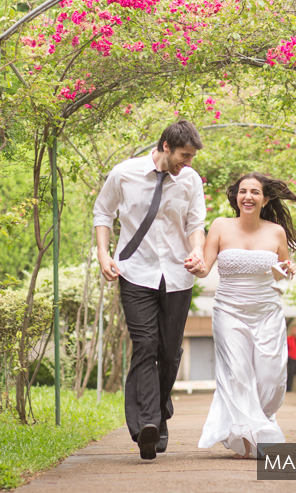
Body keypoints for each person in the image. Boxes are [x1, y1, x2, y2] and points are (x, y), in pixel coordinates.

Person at [93, 120, 207, 460]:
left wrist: (197, 251)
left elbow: (195, 224)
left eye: (192, 158)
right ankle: (145, 425)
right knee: (145, 345)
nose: (188, 163)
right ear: (166, 146)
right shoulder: (124, 173)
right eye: (185, 156)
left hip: (176, 276)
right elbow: (103, 211)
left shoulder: (190, 180)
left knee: (169, 353)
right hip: (135, 273)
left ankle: (157, 415)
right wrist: (103, 253)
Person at [191, 172, 296, 459]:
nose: (248, 196)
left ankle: (262, 423)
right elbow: (205, 268)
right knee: (238, 375)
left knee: (272, 379)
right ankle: (245, 437)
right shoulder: (220, 226)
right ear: (236, 197)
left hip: (267, 312)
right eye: (243, 191)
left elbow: (281, 271)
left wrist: (288, 271)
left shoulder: (276, 232)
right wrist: (195, 265)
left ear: (265, 198)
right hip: (229, 311)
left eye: (255, 192)